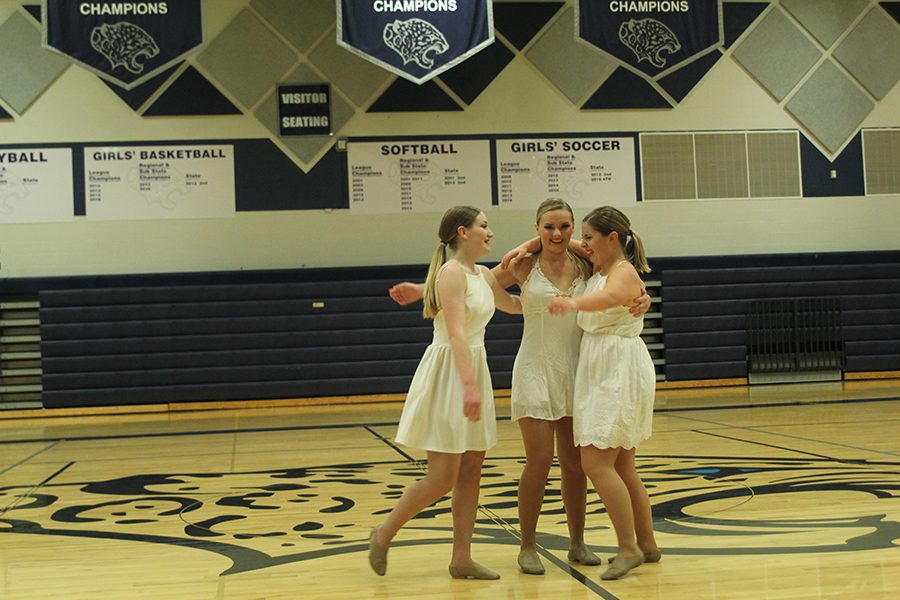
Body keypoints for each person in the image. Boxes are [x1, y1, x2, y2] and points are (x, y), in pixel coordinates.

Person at [389, 199, 651, 576]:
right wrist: (420, 288)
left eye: (565, 227)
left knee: (576, 466)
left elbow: (621, 275)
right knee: (539, 462)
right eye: (548, 228)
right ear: (537, 228)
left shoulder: (585, 259)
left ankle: (578, 542)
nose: (557, 234)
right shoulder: (524, 263)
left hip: (580, 369)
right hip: (534, 368)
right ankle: (527, 544)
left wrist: (642, 298)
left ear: (574, 229)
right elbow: (474, 281)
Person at [369, 206, 522, 580]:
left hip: (474, 368)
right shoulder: (451, 272)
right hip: (451, 372)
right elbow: (455, 332)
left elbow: (515, 306)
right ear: (463, 232)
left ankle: (462, 558)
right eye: (484, 226)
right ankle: (384, 532)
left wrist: (559, 301)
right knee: (443, 475)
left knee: (471, 471)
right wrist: (468, 387)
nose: (490, 232)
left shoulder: (482, 275)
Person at [547, 206, 660, 580]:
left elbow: (610, 298)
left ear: (612, 238)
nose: (583, 243)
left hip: (616, 368)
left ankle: (627, 548)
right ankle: (646, 543)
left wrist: (574, 302)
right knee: (623, 465)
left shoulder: (623, 272)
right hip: (604, 366)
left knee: (595, 463)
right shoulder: (601, 264)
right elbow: (558, 239)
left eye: (589, 236)